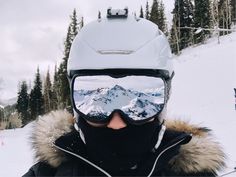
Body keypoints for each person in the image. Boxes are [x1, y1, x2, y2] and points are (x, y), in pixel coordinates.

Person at [23, 8, 226, 177]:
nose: (116, 123)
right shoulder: (47, 174)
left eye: (142, 101)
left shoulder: (193, 174)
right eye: (95, 101)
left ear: (165, 99)